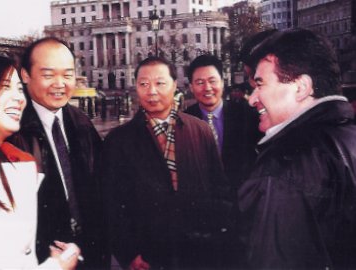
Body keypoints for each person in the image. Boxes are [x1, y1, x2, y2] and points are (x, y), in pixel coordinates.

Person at [238, 28, 356, 269]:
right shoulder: (347, 134)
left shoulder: (285, 165)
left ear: (301, 87)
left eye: (260, 84)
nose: (252, 98)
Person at [102, 57, 235, 270]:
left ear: (175, 85)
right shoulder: (118, 140)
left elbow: (219, 188)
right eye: (144, 84)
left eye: (160, 83)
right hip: (147, 256)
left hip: (199, 252)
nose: (151, 91)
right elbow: (112, 205)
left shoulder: (199, 130)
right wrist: (128, 254)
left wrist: (218, 236)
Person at [0, 52, 80, 269]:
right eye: (5, 87)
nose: (19, 98)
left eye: (19, 89)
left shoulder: (13, 162)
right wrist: (57, 266)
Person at [8, 37, 107, 269]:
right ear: (25, 75)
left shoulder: (81, 122)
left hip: (89, 251)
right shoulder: (13, 129)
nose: (60, 83)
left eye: (68, 74)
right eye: (48, 75)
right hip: (44, 257)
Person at [185, 54, 262, 190]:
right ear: (191, 87)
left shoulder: (246, 115)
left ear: (222, 82)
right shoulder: (183, 120)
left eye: (212, 81)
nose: (207, 88)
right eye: (200, 83)